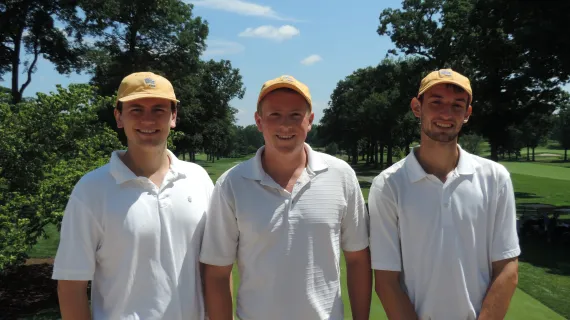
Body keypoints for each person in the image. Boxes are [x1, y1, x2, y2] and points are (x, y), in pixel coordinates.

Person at [199, 75, 372, 320]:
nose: (285, 126)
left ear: (310, 121)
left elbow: (357, 259)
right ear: (259, 121)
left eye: (295, 115)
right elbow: (217, 272)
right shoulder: (232, 183)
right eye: (274, 115)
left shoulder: (341, 175)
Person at [52, 72, 214, 320]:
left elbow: (214, 270)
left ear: (173, 117)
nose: (148, 120)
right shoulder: (91, 189)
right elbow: (71, 285)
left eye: (159, 110)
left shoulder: (198, 179)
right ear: (119, 117)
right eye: (136, 109)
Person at [368, 69, 521, 320]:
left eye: (457, 105)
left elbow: (507, 267)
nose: (446, 114)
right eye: (436, 102)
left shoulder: (495, 177)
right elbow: (387, 280)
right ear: (417, 108)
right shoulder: (387, 185)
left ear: (467, 114)